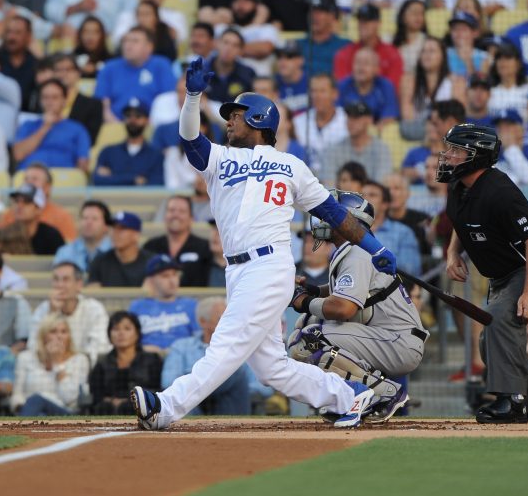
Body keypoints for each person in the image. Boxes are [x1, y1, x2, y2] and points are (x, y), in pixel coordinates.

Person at [130, 62, 399, 431]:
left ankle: (165, 407)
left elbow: (334, 213)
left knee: (226, 344)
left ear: (258, 119)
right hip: (237, 270)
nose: (229, 121)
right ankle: (349, 395)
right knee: (272, 368)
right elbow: (190, 139)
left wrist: (374, 248)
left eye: (236, 115)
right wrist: (192, 97)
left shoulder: (291, 165)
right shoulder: (220, 158)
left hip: (268, 266)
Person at [440, 123, 528, 424]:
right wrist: (453, 252)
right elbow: (460, 221)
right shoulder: (459, 185)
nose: (448, 155)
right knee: (489, 341)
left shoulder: (501, 192)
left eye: (456, 150)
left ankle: (512, 402)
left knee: (496, 322)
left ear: (476, 156)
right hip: (501, 275)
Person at [287, 190, 427, 423]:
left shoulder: (358, 252)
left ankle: (384, 393)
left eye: (331, 215)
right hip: (387, 337)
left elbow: (344, 309)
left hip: (398, 342)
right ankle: (348, 397)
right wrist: (313, 291)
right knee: (306, 326)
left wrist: (304, 302)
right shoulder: (355, 249)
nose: (322, 219)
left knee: (311, 337)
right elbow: (343, 291)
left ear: (349, 220)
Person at [162, 296, 261, 415]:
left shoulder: (242, 346)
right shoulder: (182, 347)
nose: (229, 323)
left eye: (230, 318)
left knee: (236, 373)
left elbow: (262, 388)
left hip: (230, 404)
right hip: (194, 408)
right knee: (184, 397)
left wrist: (218, 390)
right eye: (222, 318)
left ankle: (201, 387)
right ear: (203, 322)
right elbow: (168, 381)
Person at [28, 262, 110, 362]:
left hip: (84, 367)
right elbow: (33, 347)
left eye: (65, 279)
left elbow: (100, 349)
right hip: (48, 366)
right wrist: (53, 314)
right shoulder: (43, 309)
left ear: (79, 284)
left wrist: (71, 363)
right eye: (56, 279)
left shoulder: (94, 309)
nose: (60, 285)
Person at [10, 314, 91, 416]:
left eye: (64, 332)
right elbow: (17, 394)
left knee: (37, 399)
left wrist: (57, 363)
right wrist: (22, 407)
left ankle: (21, 425)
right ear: (43, 336)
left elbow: (69, 398)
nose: (59, 336)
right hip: (32, 412)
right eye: (53, 332)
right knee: (37, 410)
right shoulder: (25, 358)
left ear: (69, 336)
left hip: (63, 413)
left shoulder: (80, 360)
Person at [90, 310, 163, 414]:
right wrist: (112, 401)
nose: (121, 333)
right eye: (116, 329)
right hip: (108, 410)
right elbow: (95, 394)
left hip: (143, 410)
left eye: (127, 328)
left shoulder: (152, 360)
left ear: (137, 333)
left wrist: (129, 400)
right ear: (109, 334)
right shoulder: (102, 364)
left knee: (128, 407)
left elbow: (159, 390)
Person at [94, 27, 174, 121]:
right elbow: (103, 106)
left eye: (135, 41)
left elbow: (169, 101)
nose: (128, 45)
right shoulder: (109, 68)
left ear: (149, 47)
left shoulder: (161, 65)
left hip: (154, 124)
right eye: (125, 41)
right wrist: (117, 126)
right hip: (115, 124)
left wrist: (150, 125)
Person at [12, 79, 91, 172]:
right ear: (40, 101)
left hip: (63, 177)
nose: (49, 102)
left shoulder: (77, 129)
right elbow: (18, 155)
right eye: (45, 97)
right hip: (30, 175)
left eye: (55, 97)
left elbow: (82, 163)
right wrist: (45, 127)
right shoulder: (28, 125)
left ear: (64, 100)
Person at [129, 254, 198, 354]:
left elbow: (200, 340)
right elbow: (129, 341)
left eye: (175, 274)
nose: (172, 281)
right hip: (146, 357)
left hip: (183, 357)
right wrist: (142, 349)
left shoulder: (191, 305)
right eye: (165, 276)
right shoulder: (137, 307)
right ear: (150, 281)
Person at [317, 101, 393, 185]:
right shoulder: (333, 150)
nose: (351, 122)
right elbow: (329, 184)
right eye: (349, 117)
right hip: (340, 194)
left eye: (356, 118)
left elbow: (380, 185)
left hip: (370, 193)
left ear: (369, 120)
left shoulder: (381, 149)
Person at [143, 196, 212, 288]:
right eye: (171, 210)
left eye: (182, 211)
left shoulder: (205, 247)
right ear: (165, 216)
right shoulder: (151, 246)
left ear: (191, 218)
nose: (175, 215)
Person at [93, 99, 164, 187]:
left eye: (138, 116)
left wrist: (113, 177)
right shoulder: (108, 152)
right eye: (128, 115)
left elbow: (156, 185)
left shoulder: (156, 155)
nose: (132, 120)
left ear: (147, 120)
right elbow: (98, 180)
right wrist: (134, 179)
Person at [361, 180, 422, 275]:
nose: (365, 199)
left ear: (385, 204)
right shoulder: (348, 230)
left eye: (372, 195)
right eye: (362, 195)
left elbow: (410, 270)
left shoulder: (403, 233)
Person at [0, 183, 64, 257]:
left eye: (27, 202)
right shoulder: (2, 235)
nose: (19, 206)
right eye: (16, 201)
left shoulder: (52, 236)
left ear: (38, 209)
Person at [337, 48, 401, 126]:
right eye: (357, 63)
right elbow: (336, 116)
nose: (361, 68)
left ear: (377, 69)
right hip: (347, 129)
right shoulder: (343, 85)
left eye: (366, 63)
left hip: (377, 130)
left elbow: (389, 118)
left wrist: (369, 130)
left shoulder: (385, 86)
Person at [87, 211, 151, 288]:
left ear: (136, 235)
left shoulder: (151, 262)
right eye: (113, 228)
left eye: (122, 228)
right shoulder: (99, 262)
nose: (115, 233)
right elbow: (93, 292)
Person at [53, 200, 113, 273]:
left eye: (94, 219)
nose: (88, 222)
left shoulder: (116, 252)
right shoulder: (65, 252)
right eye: (85, 218)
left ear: (106, 226)